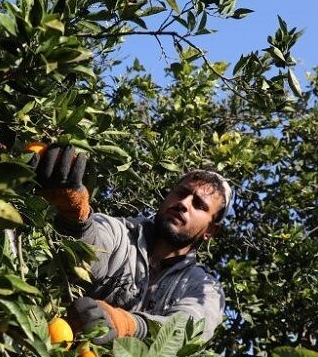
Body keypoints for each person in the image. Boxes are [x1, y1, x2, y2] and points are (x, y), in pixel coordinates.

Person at [33, 145, 229, 344]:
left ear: (210, 231)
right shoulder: (122, 233)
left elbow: (186, 330)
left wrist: (128, 325)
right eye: (181, 193)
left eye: (199, 205)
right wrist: (76, 218)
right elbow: (94, 246)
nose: (184, 203)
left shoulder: (204, 290)